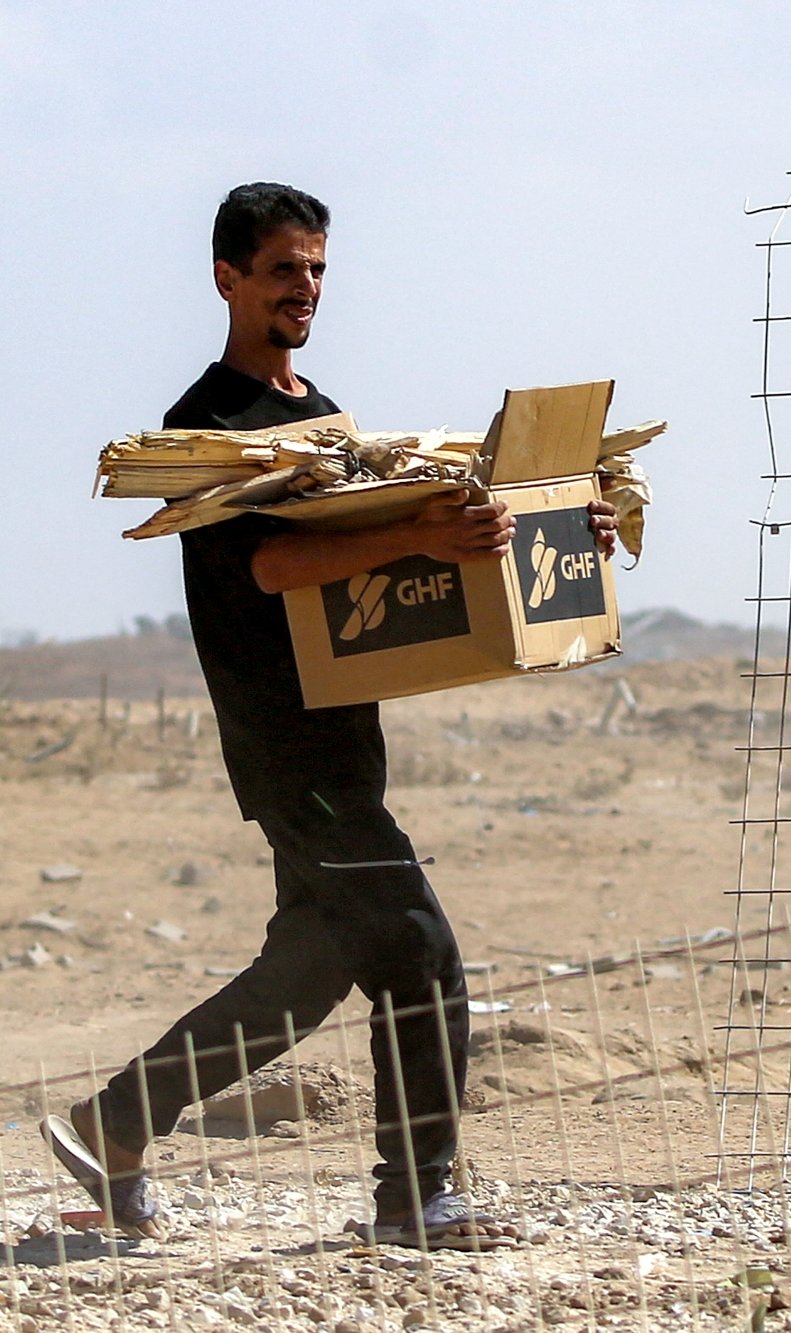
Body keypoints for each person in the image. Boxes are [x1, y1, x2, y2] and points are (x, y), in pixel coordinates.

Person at [41, 182, 618, 1249]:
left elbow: (405, 544)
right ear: (227, 278)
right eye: (281, 270)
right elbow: (273, 561)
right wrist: (419, 541)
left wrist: (547, 525)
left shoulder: (319, 418)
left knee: (310, 969)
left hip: (345, 740)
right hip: (285, 748)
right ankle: (416, 1196)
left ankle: (115, 1123)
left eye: (315, 269)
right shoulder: (205, 429)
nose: (304, 288)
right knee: (416, 945)